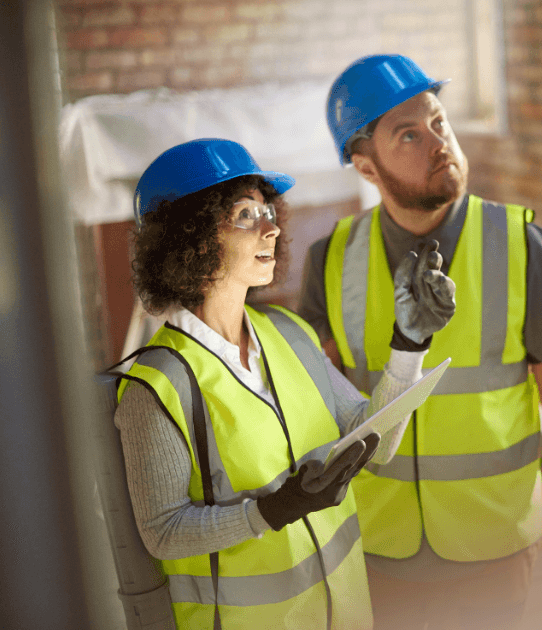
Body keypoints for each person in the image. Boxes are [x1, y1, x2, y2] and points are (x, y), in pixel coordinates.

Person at [298, 54, 542, 629]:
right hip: (377, 543)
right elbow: (323, 407)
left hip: (491, 543)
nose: (438, 143)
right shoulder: (329, 261)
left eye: (439, 123)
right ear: (366, 168)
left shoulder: (522, 245)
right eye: (409, 136)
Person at [114, 138, 455, 629]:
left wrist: (409, 342)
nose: (272, 227)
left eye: (268, 210)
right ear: (189, 237)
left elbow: (374, 443)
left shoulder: (289, 334)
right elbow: (164, 533)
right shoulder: (158, 386)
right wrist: (269, 512)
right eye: (246, 215)